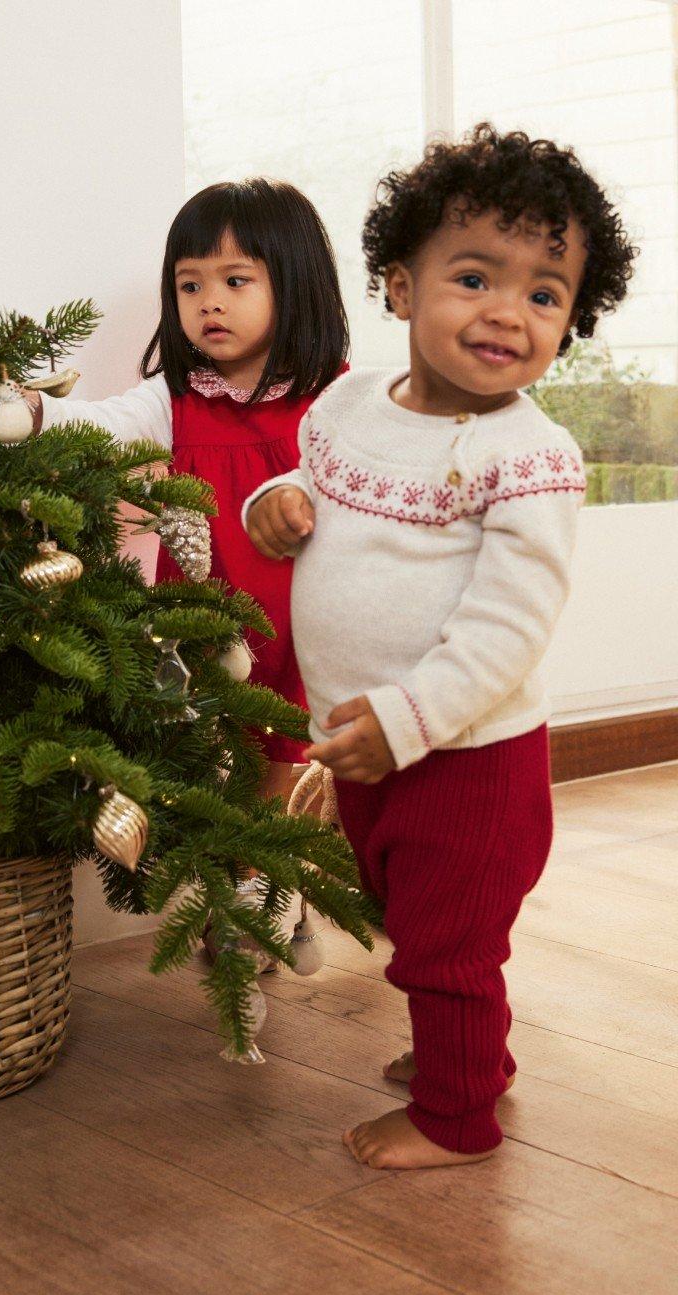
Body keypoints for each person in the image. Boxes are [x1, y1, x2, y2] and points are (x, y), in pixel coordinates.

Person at [243, 123, 637, 1169]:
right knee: (405, 919)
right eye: (473, 276)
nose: (509, 311)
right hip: (365, 742)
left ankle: (456, 1118)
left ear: (571, 320)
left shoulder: (530, 456)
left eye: (545, 293)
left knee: (446, 947)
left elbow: (507, 625)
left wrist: (409, 722)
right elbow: (305, 493)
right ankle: (467, 1058)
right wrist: (272, 505)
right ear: (399, 288)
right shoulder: (348, 405)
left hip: (466, 759)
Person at [20, 177, 349, 807]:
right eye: (190, 285)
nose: (209, 303)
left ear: (295, 281)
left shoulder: (337, 399)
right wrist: (35, 413)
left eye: (235, 281)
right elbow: (106, 426)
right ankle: (226, 885)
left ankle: (271, 886)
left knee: (283, 771)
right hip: (202, 621)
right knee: (199, 771)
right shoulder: (176, 397)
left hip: (304, 621)